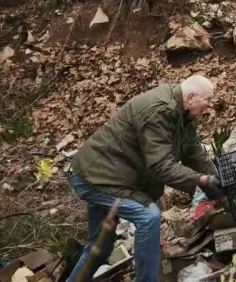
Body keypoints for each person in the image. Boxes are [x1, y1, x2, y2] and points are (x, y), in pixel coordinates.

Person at [66, 75, 225, 282]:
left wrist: (220, 183)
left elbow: (194, 154)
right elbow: (160, 167)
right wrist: (202, 180)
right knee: (148, 217)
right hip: (96, 177)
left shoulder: (182, 115)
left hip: (110, 175)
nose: (210, 105)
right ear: (191, 97)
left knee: (100, 248)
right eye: (208, 99)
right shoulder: (159, 111)